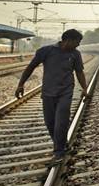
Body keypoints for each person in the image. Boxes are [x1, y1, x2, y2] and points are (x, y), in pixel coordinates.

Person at [15, 29, 90, 162]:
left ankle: (59, 152)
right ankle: (61, 144)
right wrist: (21, 85)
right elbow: (30, 67)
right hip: (48, 92)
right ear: (68, 40)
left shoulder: (75, 54)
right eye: (77, 42)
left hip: (66, 92)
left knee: (61, 121)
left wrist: (84, 88)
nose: (78, 45)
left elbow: (79, 72)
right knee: (50, 122)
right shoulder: (46, 51)